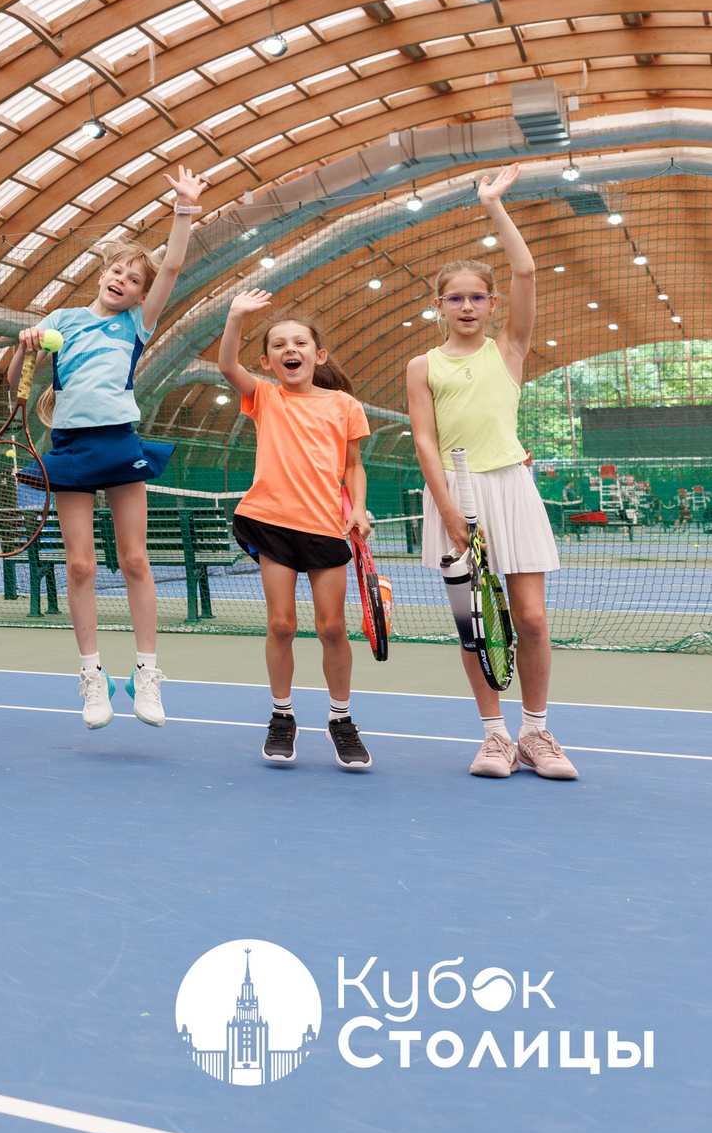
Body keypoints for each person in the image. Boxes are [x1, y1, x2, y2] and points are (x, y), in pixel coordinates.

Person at [11, 166, 208, 731]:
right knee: (79, 565)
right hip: (69, 446)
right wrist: (23, 350)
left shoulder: (136, 325)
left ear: (143, 296)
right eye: (116, 269)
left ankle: (147, 673)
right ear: (102, 274)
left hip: (120, 443)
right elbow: (12, 385)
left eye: (134, 278)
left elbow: (170, 264)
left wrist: (184, 210)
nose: (123, 279)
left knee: (135, 559)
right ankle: (92, 676)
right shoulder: (62, 322)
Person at [406, 166, 576, 781]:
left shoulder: (509, 350)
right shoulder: (422, 364)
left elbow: (527, 271)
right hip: (453, 495)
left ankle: (537, 731)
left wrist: (494, 206)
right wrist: (448, 508)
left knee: (529, 619)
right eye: (456, 297)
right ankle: (495, 737)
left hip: (511, 488)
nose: (468, 305)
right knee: (474, 625)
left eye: (478, 296)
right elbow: (424, 438)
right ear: (440, 305)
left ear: (492, 303)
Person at [216, 288, 372, 770]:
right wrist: (236, 316)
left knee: (331, 628)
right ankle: (282, 716)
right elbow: (226, 367)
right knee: (281, 624)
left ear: (317, 354)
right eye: (279, 344)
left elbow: (353, 467)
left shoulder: (344, 404)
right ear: (266, 360)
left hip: (326, 527)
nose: (291, 350)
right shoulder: (263, 396)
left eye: (300, 343)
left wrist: (359, 509)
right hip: (270, 522)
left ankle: (341, 720)